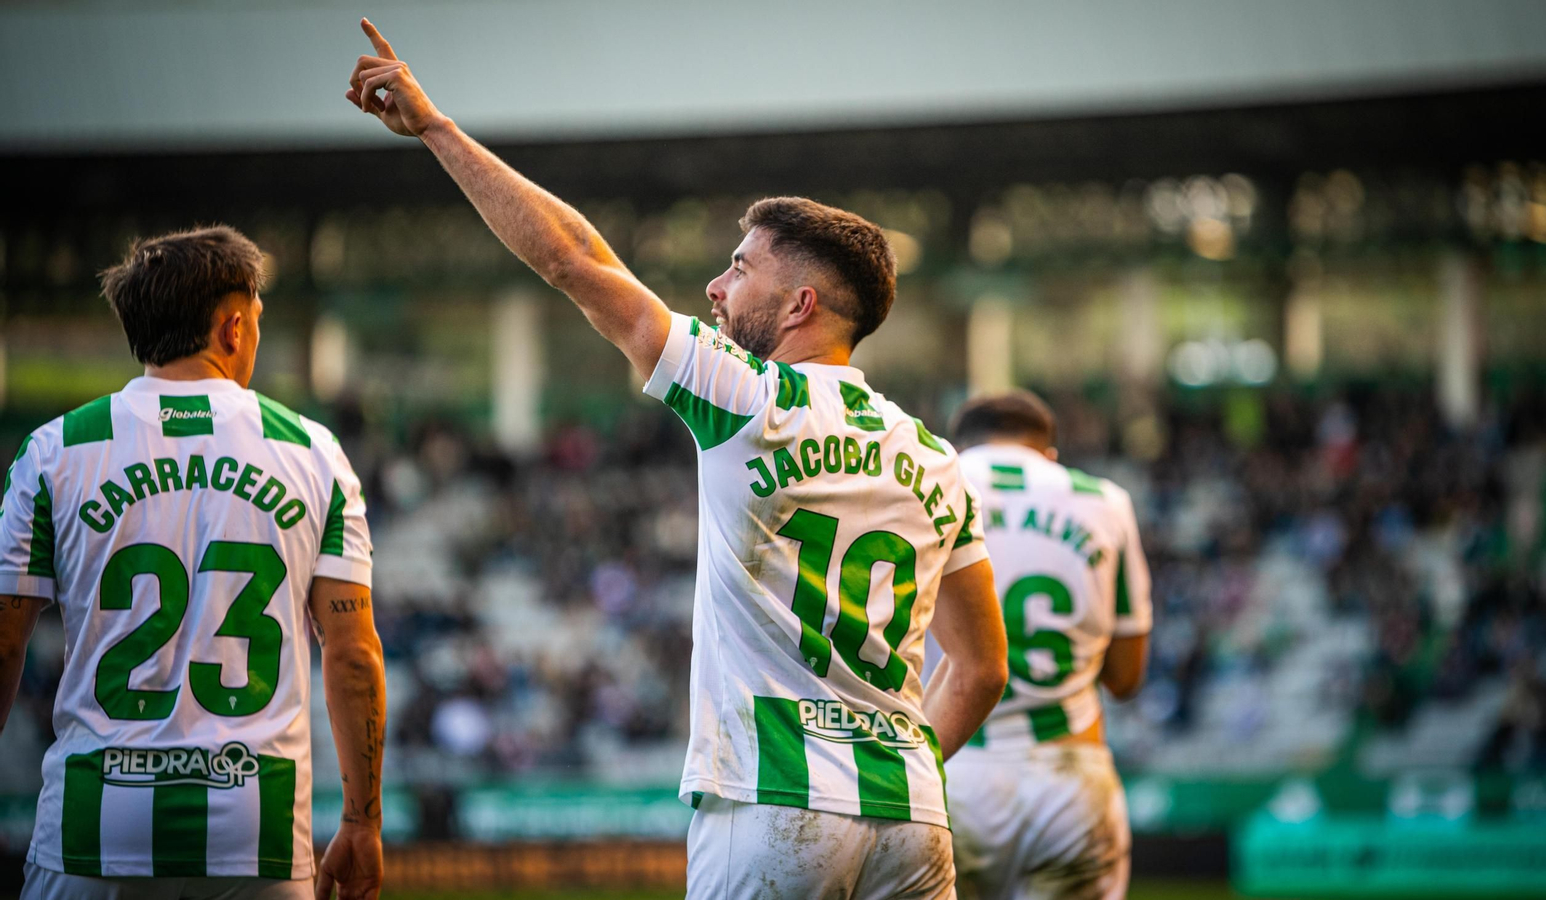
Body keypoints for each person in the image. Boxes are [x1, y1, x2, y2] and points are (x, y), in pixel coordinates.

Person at [345, 19, 1008, 898]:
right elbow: (986, 666)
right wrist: (895, 769)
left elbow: (572, 259)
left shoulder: (746, 396)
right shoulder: (937, 458)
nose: (715, 287)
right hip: (911, 818)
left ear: (801, 303)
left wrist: (436, 128)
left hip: (771, 804)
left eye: (738, 269)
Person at [0, 226, 386, 900]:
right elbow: (353, 656)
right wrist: (361, 820)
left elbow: (5, 639)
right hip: (254, 834)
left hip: (94, 829)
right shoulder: (313, 453)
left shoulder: (55, 452)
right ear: (231, 328)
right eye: (258, 322)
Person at [943, 391, 1152, 900]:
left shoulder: (927, 483)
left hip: (950, 770)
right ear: (1049, 455)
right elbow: (1126, 678)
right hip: (1069, 776)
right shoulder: (1105, 500)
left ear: (958, 446)